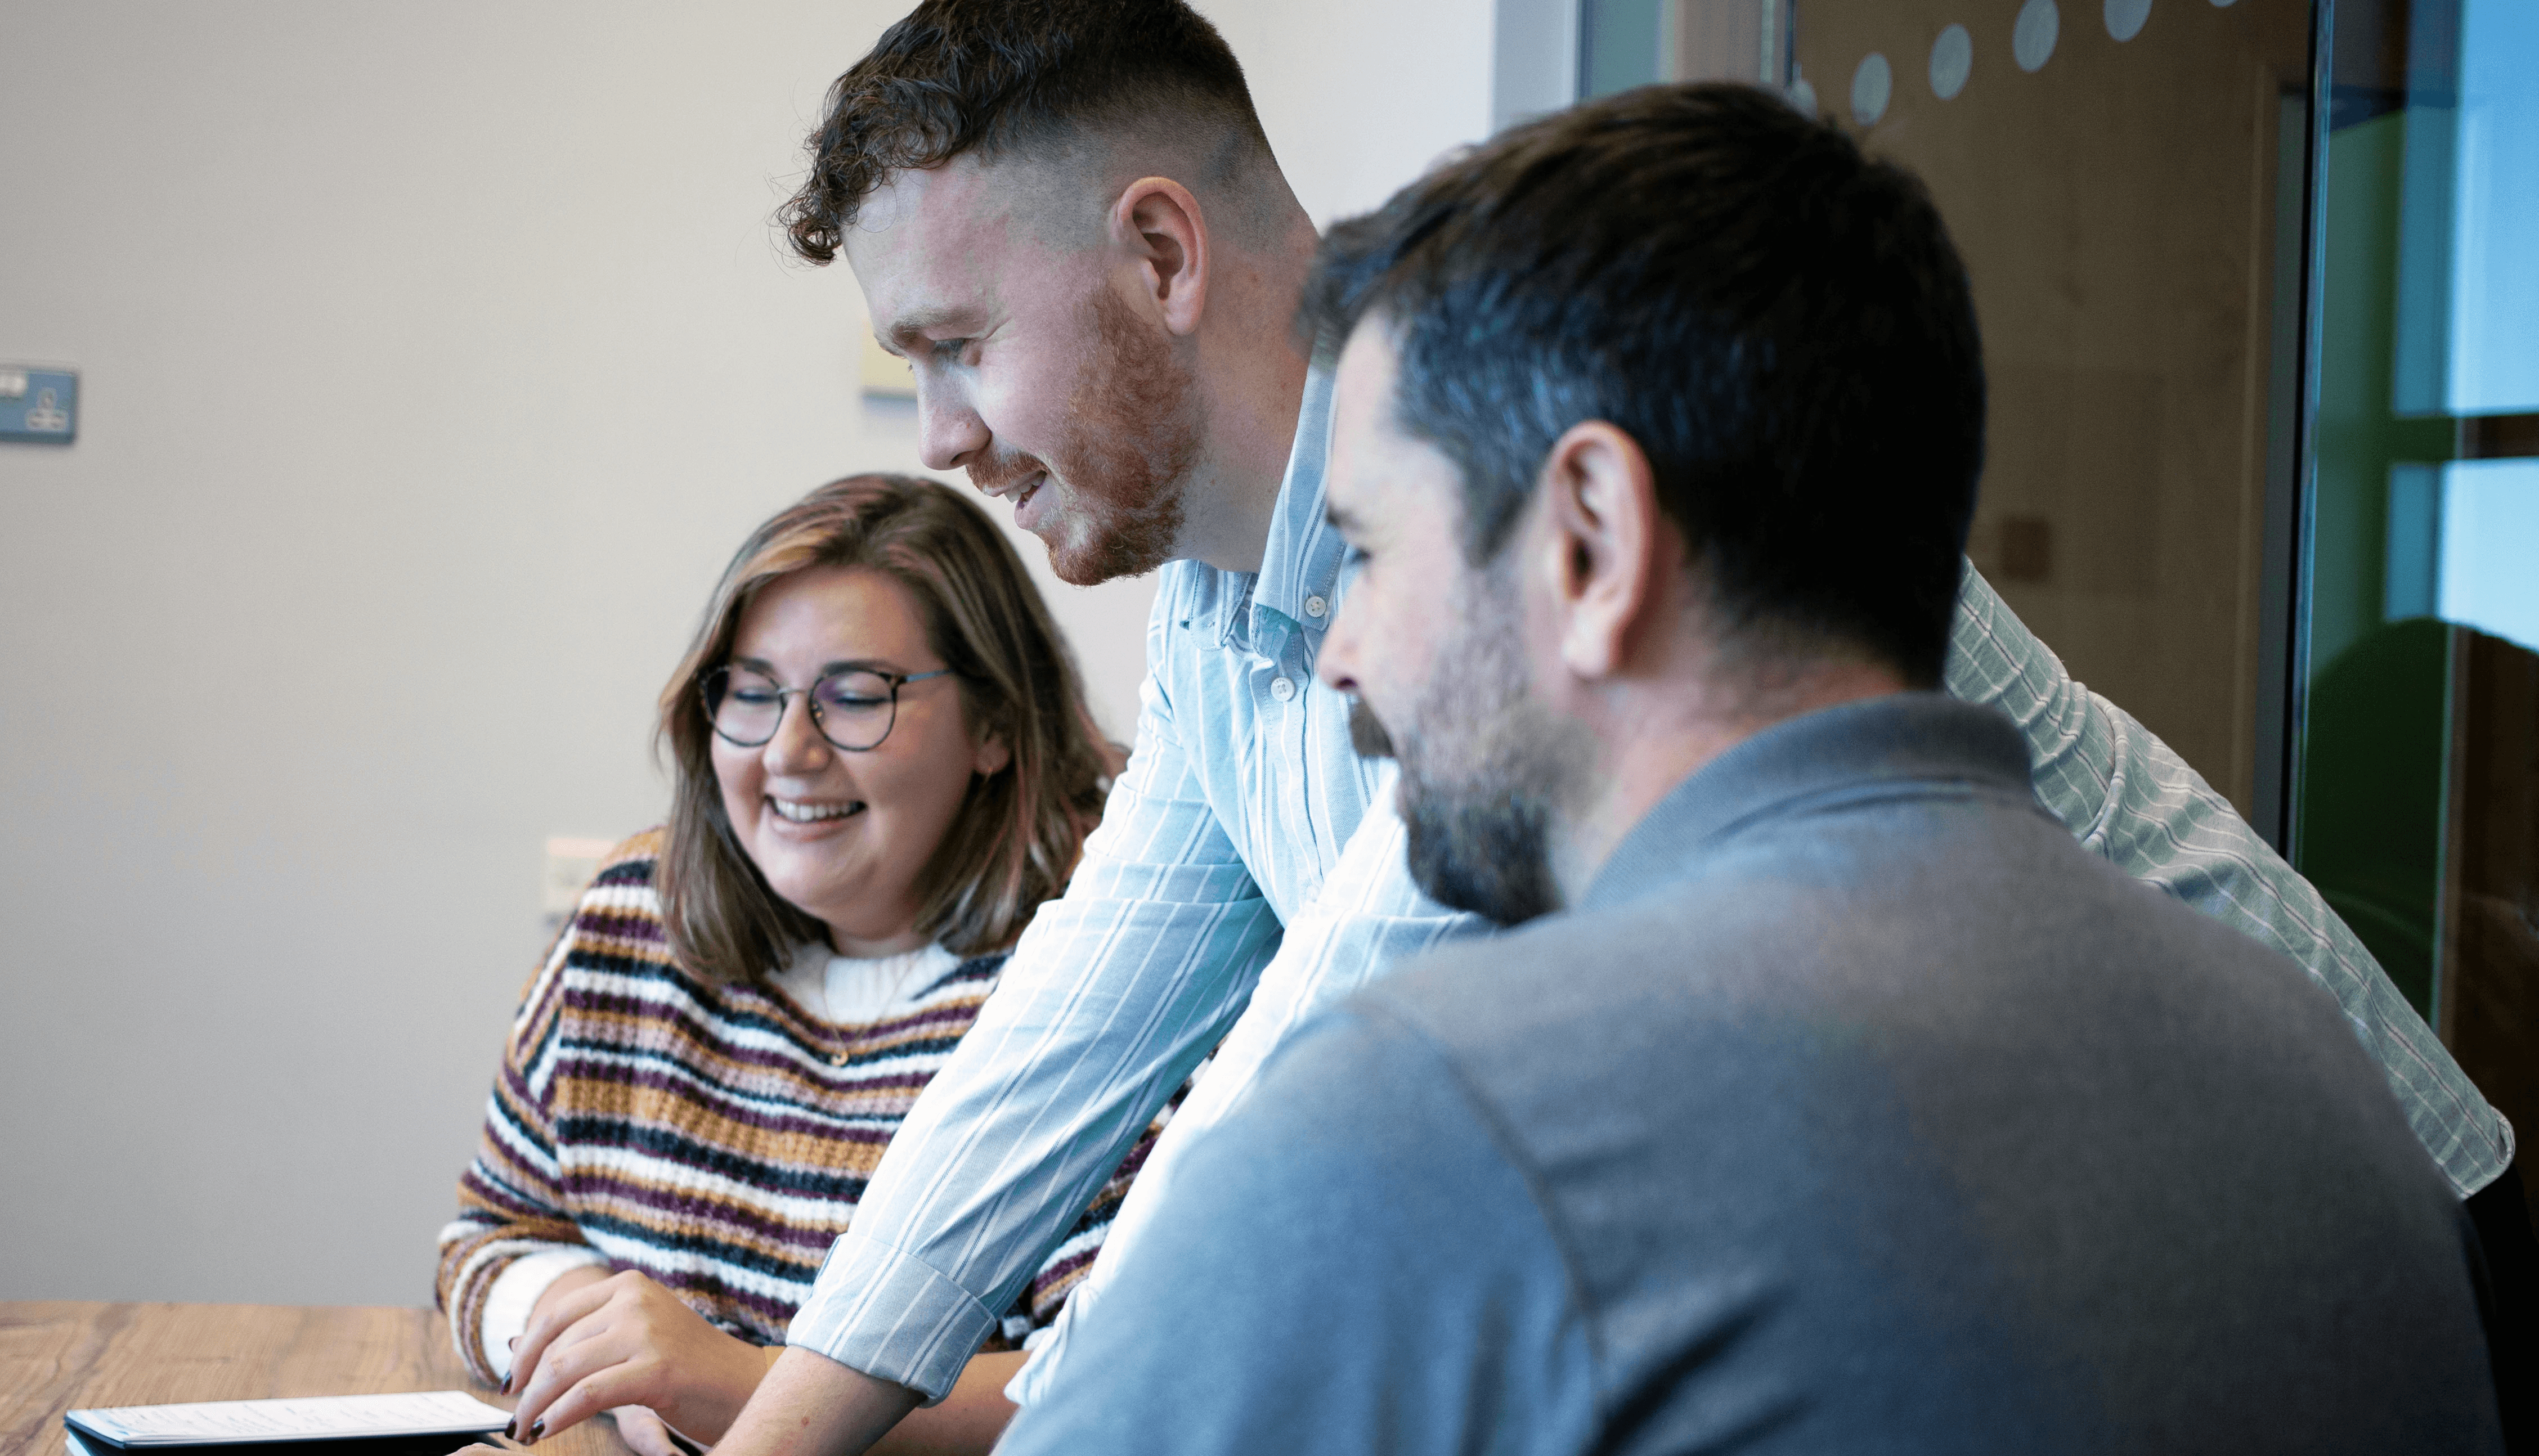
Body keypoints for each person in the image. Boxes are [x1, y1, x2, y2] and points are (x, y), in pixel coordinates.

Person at [711, 4, 2519, 1451]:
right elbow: (1065, 1047)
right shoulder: (1228, 597)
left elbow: (1263, 1184)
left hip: (2298, 1236)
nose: (934, 431)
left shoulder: (1526, 495)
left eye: (955, 341)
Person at [433, 473, 1163, 1455]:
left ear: (994, 725)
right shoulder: (633, 919)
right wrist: (610, 1355)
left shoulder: (1109, 984)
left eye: (855, 697)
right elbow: (493, 1238)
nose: (788, 751)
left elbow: (1128, 1382)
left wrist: (742, 1392)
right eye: (753, 692)